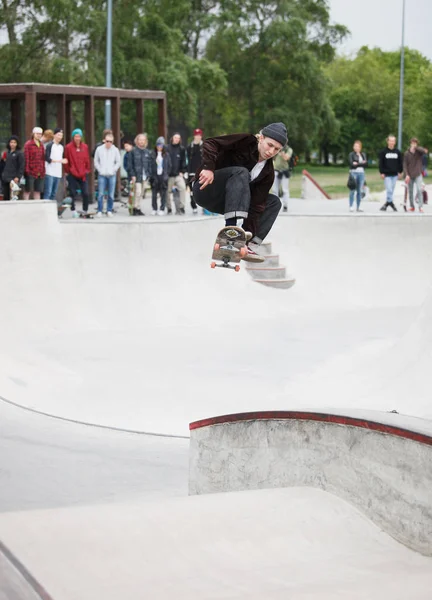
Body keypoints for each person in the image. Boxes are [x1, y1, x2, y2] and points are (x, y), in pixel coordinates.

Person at [192, 122, 287, 262]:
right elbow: (211, 143)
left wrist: (247, 235)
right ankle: (230, 231)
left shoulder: (268, 173)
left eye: (276, 149)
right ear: (261, 138)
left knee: (274, 202)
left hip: (226, 202)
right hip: (206, 189)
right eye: (270, 145)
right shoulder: (245, 142)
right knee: (241, 172)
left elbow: (256, 206)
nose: (271, 152)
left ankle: (248, 244)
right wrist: (208, 167)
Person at [64, 128, 91, 215]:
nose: (77, 138)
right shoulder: (68, 147)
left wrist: (87, 170)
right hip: (72, 173)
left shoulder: (85, 147)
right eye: (76, 136)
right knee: (72, 192)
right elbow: (66, 159)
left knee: (86, 192)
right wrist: (68, 171)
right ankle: (73, 209)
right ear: (73, 137)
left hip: (83, 173)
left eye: (79, 136)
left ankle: (85, 209)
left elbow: (87, 159)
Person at [94, 132, 121, 217]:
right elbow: (96, 161)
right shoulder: (99, 149)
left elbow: (118, 162)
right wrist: (99, 170)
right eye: (107, 141)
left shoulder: (115, 150)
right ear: (104, 141)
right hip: (102, 174)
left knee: (111, 194)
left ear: (113, 142)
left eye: (111, 141)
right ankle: (99, 210)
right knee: (101, 193)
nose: (109, 143)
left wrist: (114, 170)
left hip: (111, 174)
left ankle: (109, 210)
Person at [129, 133, 153, 216]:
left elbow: (150, 164)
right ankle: (135, 208)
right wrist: (132, 175)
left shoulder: (147, 152)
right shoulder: (133, 151)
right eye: (140, 139)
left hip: (145, 176)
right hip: (136, 175)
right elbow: (130, 165)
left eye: (143, 140)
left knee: (142, 193)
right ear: (137, 141)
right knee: (138, 192)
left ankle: (138, 208)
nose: (142, 141)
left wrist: (149, 174)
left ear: (145, 141)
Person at [378, 135, 403, 212]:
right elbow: (380, 163)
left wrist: (400, 172)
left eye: (393, 141)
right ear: (388, 141)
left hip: (395, 174)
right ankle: (391, 203)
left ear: (395, 142)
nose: (392, 142)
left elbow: (400, 163)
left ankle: (387, 203)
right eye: (390, 141)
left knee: (391, 190)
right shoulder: (383, 152)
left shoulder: (397, 152)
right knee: (389, 189)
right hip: (387, 174)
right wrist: (381, 172)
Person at [404, 138, 427, 213]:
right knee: (410, 191)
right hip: (410, 175)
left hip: (418, 174)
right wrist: (407, 174)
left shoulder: (419, 152)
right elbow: (405, 165)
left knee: (419, 189)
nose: (413, 144)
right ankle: (412, 206)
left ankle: (420, 207)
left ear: (417, 144)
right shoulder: (407, 153)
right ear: (410, 143)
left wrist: (416, 147)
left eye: (415, 143)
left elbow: (424, 151)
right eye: (412, 143)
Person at [44, 128, 68, 201]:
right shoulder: (50, 145)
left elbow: (63, 158)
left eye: (61, 135)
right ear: (54, 135)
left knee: (54, 193)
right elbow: (47, 158)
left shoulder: (61, 147)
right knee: (48, 191)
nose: (60, 137)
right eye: (58, 135)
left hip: (58, 172)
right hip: (49, 172)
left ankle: (51, 208)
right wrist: (59, 161)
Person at [150, 137, 171, 215]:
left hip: (163, 176)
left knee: (163, 193)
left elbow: (169, 166)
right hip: (155, 176)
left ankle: (162, 208)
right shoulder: (152, 154)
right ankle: (154, 208)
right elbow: (150, 165)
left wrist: (166, 174)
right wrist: (152, 175)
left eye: (161, 145)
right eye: (158, 145)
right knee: (154, 194)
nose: (159, 147)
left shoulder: (166, 155)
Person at [167, 133, 187, 215]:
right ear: (172, 138)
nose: (177, 139)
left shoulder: (181, 149)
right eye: (175, 137)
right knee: (167, 192)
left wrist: (182, 171)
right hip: (169, 175)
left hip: (178, 174)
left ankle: (181, 207)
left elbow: (183, 161)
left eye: (178, 138)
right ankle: (169, 208)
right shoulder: (167, 148)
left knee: (182, 188)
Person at [23, 126, 45, 200]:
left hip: (40, 171)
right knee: (27, 190)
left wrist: (43, 170)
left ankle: (37, 206)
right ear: (33, 134)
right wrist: (27, 170)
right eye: (37, 134)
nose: (39, 135)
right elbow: (26, 158)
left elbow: (42, 158)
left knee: (38, 191)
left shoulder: (41, 145)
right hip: (30, 171)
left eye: (40, 134)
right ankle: (26, 205)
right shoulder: (28, 144)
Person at [1, 136, 24, 201]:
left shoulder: (19, 153)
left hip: (14, 177)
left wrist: (18, 176)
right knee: (5, 195)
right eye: (11, 142)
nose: (13, 144)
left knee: (14, 196)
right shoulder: (7, 152)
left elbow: (21, 166)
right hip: (5, 177)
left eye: (14, 142)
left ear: (17, 144)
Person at [271, 144, 293, 212]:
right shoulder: (276, 147)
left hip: (284, 172)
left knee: (285, 190)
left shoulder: (288, 149)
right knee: (275, 189)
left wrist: (281, 152)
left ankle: (285, 205)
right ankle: (275, 205)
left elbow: (286, 158)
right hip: (276, 170)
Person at [187, 128, 204, 214]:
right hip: (191, 171)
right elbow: (186, 159)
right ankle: (193, 206)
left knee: (202, 189)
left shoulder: (204, 146)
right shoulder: (190, 147)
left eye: (199, 135)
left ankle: (204, 207)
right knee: (192, 191)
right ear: (194, 136)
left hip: (201, 172)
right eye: (196, 135)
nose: (198, 137)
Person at [348, 141, 367, 212]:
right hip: (354, 173)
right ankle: (351, 205)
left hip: (361, 173)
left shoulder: (363, 154)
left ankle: (358, 206)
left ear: (360, 147)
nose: (356, 148)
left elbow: (365, 164)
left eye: (357, 146)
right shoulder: (351, 154)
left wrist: (357, 164)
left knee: (360, 190)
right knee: (352, 190)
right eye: (355, 146)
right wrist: (360, 163)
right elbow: (352, 164)